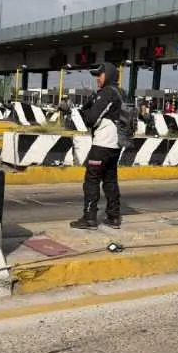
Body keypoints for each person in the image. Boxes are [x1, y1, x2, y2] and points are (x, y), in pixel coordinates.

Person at [70, 62, 122, 230]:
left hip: (102, 144)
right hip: (116, 145)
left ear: (109, 75)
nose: (98, 79)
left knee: (91, 180)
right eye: (96, 76)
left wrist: (82, 113)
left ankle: (89, 218)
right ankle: (114, 217)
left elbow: (91, 119)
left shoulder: (107, 93)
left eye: (100, 75)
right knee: (110, 180)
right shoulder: (122, 93)